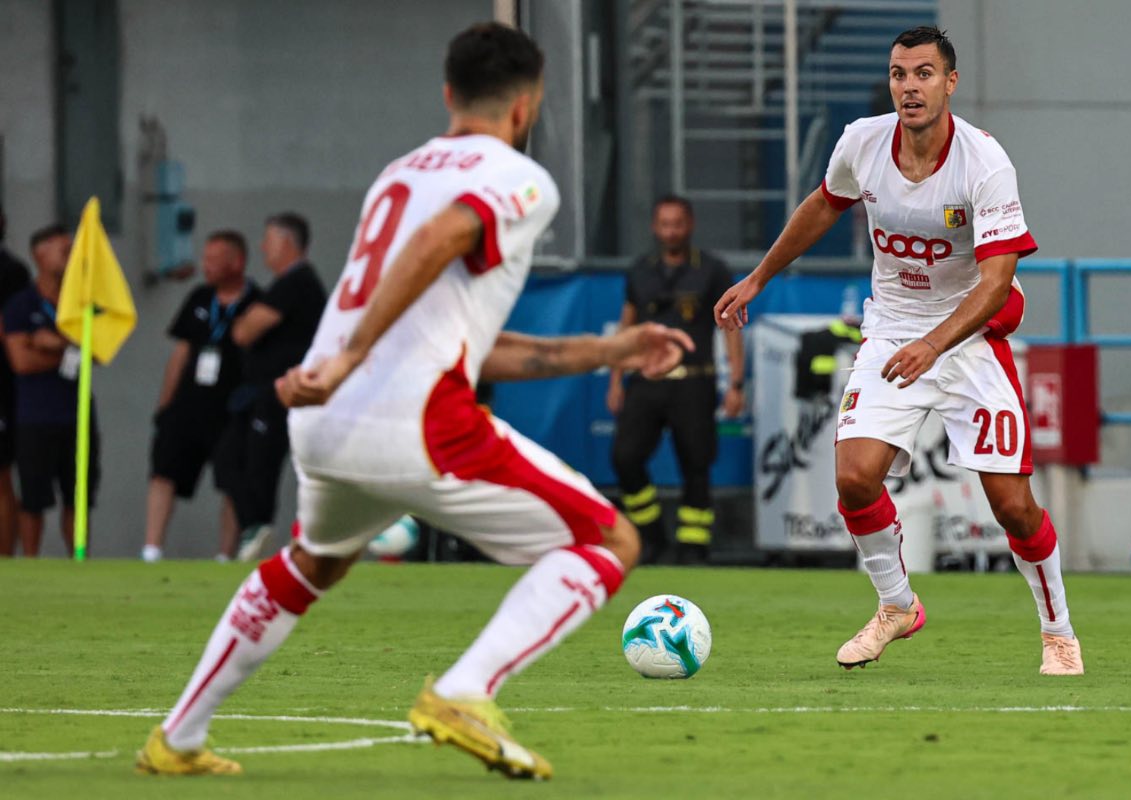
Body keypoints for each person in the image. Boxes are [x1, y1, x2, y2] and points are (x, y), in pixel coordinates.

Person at [135, 22, 692, 780]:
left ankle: (178, 737)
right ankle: (464, 692)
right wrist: (353, 355)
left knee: (312, 563)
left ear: (447, 93)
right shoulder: (518, 177)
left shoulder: (399, 172)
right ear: (526, 106)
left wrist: (608, 351)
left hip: (326, 418)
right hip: (413, 418)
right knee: (609, 540)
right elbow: (442, 238)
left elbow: (455, 335)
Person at [714, 27, 1082, 676]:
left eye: (923, 74)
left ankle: (1058, 634)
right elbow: (823, 205)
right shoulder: (861, 142)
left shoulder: (984, 163)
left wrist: (934, 344)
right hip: (892, 329)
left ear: (950, 83)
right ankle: (897, 605)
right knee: (854, 478)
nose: (909, 87)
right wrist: (758, 277)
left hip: (969, 336)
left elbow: (998, 283)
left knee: (1012, 506)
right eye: (898, 74)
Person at [608, 195, 745, 564]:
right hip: (646, 381)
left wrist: (736, 383)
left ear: (690, 225)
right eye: (665, 224)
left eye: (678, 224)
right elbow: (626, 327)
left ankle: (693, 547)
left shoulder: (713, 270)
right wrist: (616, 380)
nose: (671, 232)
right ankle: (650, 536)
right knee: (625, 458)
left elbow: (731, 328)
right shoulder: (640, 270)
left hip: (694, 382)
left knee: (696, 464)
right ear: (655, 227)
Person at [142, 231, 261, 563]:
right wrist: (165, 405)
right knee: (164, 470)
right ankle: (151, 549)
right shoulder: (199, 297)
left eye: (214, 259)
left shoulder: (258, 302)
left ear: (237, 262)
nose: (205, 265)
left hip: (232, 408)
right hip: (188, 405)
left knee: (232, 480)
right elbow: (180, 353)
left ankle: (225, 555)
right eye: (205, 258)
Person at [214, 213, 326, 561]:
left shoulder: (298, 283)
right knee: (229, 458)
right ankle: (253, 526)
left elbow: (244, 331)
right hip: (258, 394)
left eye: (269, 240)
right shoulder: (283, 285)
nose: (263, 248)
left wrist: (246, 322)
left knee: (261, 462)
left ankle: (259, 525)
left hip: (280, 392)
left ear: (287, 243)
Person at [1, 223, 100, 556]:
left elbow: (98, 351)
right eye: (64, 251)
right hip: (35, 416)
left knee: (78, 496)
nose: (71, 258)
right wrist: (71, 348)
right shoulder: (20, 304)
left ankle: (79, 559)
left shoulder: (82, 303)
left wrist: (53, 343)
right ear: (39, 255)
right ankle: (32, 561)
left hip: (78, 412)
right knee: (33, 497)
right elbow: (21, 362)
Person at [0, 204, 33, 556]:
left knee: (1, 476)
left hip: (3, 387)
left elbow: (10, 331)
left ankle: (5, 557)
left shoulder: (10, 271)